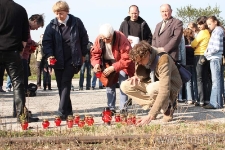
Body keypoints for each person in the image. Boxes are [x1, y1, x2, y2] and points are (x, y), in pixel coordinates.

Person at [43, 1, 88, 120]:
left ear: (67, 12)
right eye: (56, 13)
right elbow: (47, 42)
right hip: (57, 60)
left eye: (61, 13)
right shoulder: (51, 25)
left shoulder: (76, 22)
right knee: (60, 85)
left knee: (65, 83)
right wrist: (50, 55)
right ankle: (68, 112)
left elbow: (84, 38)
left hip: (73, 59)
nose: (58, 16)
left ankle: (61, 111)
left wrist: (83, 54)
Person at [120, 41, 182, 126]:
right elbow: (140, 69)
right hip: (152, 82)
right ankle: (156, 105)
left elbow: (164, 89)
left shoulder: (163, 58)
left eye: (141, 60)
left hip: (170, 85)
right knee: (125, 85)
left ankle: (167, 108)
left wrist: (151, 115)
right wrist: (136, 76)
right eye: (137, 62)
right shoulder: (140, 58)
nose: (139, 63)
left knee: (151, 88)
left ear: (148, 54)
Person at [0, 0, 38, 122]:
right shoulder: (20, 9)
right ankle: (21, 115)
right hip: (13, 51)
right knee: (18, 84)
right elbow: (24, 35)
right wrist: (21, 51)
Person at [91, 23, 135, 114]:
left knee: (123, 84)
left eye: (108, 38)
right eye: (103, 38)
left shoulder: (121, 38)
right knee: (109, 84)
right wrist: (96, 64)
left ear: (113, 34)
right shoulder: (99, 39)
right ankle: (111, 108)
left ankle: (123, 108)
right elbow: (95, 54)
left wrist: (114, 67)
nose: (105, 40)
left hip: (122, 64)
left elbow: (127, 58)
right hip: (107, 63)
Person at [203, 16, 225, 109]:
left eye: (210, 24)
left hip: (215, 58)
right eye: (207, 24)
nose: (208, 26)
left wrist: (207, 53)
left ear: (215, 22)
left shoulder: (217, 31)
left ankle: (214, 103)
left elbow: (216, 47)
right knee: (218, 80)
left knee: (216, 81)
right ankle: (218, 102)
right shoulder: (219, 30)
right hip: (216, 57)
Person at [191, 16, 211, 107]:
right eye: (198, 24)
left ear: (205, 23)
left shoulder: (202, 33)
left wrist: (193, 44)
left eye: (201, 24)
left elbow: (193, 43)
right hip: (206, 56)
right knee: (205, 78)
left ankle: (200, 100)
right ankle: (206, 99)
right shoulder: (208, 32)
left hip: (199, 55)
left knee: (199, 79)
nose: (199, 26)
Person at [22, 14, 44, 95]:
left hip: (25, 55)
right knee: (23, 82)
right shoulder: (24, 26)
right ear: (34, 21)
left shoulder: (26, 27)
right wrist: (35, 43)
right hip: (22, 56)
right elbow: (26, 40)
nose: (37, 29)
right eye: (38, 26)